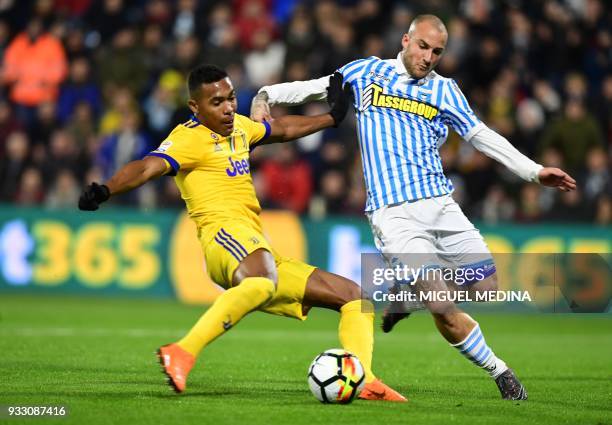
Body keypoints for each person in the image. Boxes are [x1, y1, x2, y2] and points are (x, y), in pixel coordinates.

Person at [251, 15, 577, 401]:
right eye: (423, 46)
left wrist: (534, 172)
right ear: (406, 39)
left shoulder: (445, 90)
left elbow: (482, 136)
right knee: (441, 303)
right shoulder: (365, 72)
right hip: (393, 213)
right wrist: (265, 95)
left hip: (441, 205)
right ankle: (501, 372)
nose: (428, 57)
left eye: (437, 52)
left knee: (486, 286)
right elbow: (313, 88)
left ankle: (405, 298)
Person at [78, 64, 405, 402]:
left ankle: (364, 379)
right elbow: (147, 166)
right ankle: (182, 351)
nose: (229, 107)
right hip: (223, 238)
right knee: (262, 280)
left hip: (254, 243)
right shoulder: (188, 138)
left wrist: (331, 118)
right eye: (217, 102)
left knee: (355, 298)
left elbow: (278, 129)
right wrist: (106, 190)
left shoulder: (238, 129)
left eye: (231, 98)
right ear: (196, 107)